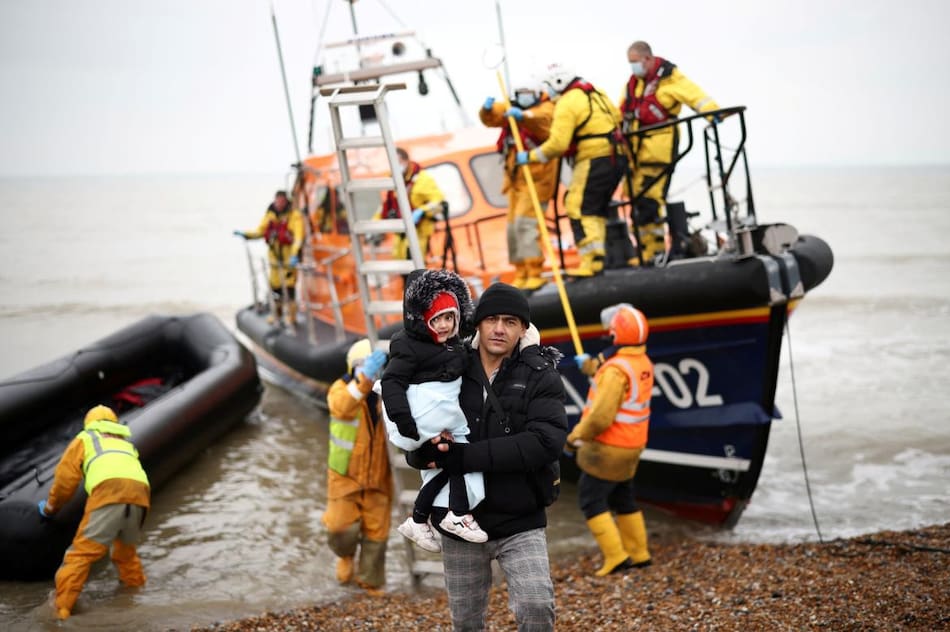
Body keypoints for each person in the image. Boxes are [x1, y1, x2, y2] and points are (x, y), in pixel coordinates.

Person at [408, 282, 568, 630]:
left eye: (510, 321)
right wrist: (423, 454)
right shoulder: (445, 367)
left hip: (520, 519)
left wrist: (465, 457)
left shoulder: (541, 373)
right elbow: (416, 439)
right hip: (458, 523)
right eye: (492, 318)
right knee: (466, 623)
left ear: (524, 329)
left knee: (537, 606)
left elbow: (546, 443)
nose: (499, 328)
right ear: (476, 323)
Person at [381, 268, 487, 552]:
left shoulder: (456, 348)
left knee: (449, 466)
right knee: (458, 460)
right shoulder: (408, 347)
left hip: (445, 423)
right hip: (422, 422)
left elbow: (465, 362)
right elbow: (392, 381)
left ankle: (418, 518)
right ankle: (458, 513)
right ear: (423, 320)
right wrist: (404, 420)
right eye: (436, 319)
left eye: (449, 317)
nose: (443, 325)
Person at [38, 405, 150, 620]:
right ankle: (134, 600)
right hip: (140, 494)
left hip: (109, 491)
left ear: (89, 422)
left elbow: (65, 480)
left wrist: (51, 507)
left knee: (80, 554)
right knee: (126, 553)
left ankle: (60, 611)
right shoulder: (126, 443)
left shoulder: (86, 438)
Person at [516, 62, 628, 278]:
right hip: (616, 156)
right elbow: (617, 118)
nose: (546, 92)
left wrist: (530, 156)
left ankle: (592, 261)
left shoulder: (568, 102)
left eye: (547, 86)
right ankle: (602, 256)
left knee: (577, 206)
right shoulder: (597, 93)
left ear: (557, 82)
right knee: (596, 208)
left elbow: (557, 144)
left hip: (594, 157)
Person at [567, 303, 654, 576]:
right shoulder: (641, 362)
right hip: (632, 446)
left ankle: (616, 557)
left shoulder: (615, 370)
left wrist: (575, 436)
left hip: (608, 448)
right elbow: (612, 371)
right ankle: (640, 554)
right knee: (624, 497)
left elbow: (600, 417)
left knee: (591, 500)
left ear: (616, 335)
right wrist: (592, 367)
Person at [620, 41, 719, 264]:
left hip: (659, 149)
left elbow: (696, 96)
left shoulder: (671, 78)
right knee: (638, 201)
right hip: (636, 152)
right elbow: (622, 111)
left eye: (635, 62)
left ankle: (653, 254)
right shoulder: (634, 84)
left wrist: (713, 113)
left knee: (650, 201)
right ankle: (647, 252)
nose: (633, 67)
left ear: (647, 59)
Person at [322, 339, 392, 596]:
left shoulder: (385, 395)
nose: (370, 373)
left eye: (374, 367)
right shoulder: (340, 390)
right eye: (363, 366)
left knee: (377, 534)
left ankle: (370, 583)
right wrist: (363, 380)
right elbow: (341, 407)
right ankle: (345, 555)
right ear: (353, 367)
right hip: (345, 477)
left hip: (378, 478)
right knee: (340, 528)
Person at [479, 81, 558, 290]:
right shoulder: (512, 110)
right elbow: (494, 116)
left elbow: (542, 121)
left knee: (526, 224)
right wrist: (486, 109)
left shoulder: (544, 109)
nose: (524, 97)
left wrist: (524, 117)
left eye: (528, 93)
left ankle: (535, 271)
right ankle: (521, 270)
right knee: (513, 227)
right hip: (516, 180)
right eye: (520, 93)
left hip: (537, 179)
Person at [233, 190, 306, 326]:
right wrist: (246, 234)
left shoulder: (294, 216)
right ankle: (276, 315)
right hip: (274, 261)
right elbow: (260, 231)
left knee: (289, 289)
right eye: (277, 200)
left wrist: (295, 254)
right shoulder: (270, 216)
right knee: (275, 289)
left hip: (288, 260)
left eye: (282, 201)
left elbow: (298, 237)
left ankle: (292, 317)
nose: (279, 203)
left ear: (286, 202)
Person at [376, 147, 446, 261]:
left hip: (419, 233)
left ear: (406, 160)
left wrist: (422, 211)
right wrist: (375, 225)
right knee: (402, 268)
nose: (395, 166)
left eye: (398, 162)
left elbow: (439, 203)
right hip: (400, 233)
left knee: (416, 266)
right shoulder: (394, 181)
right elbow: (385, 206)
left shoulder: (423, 179)